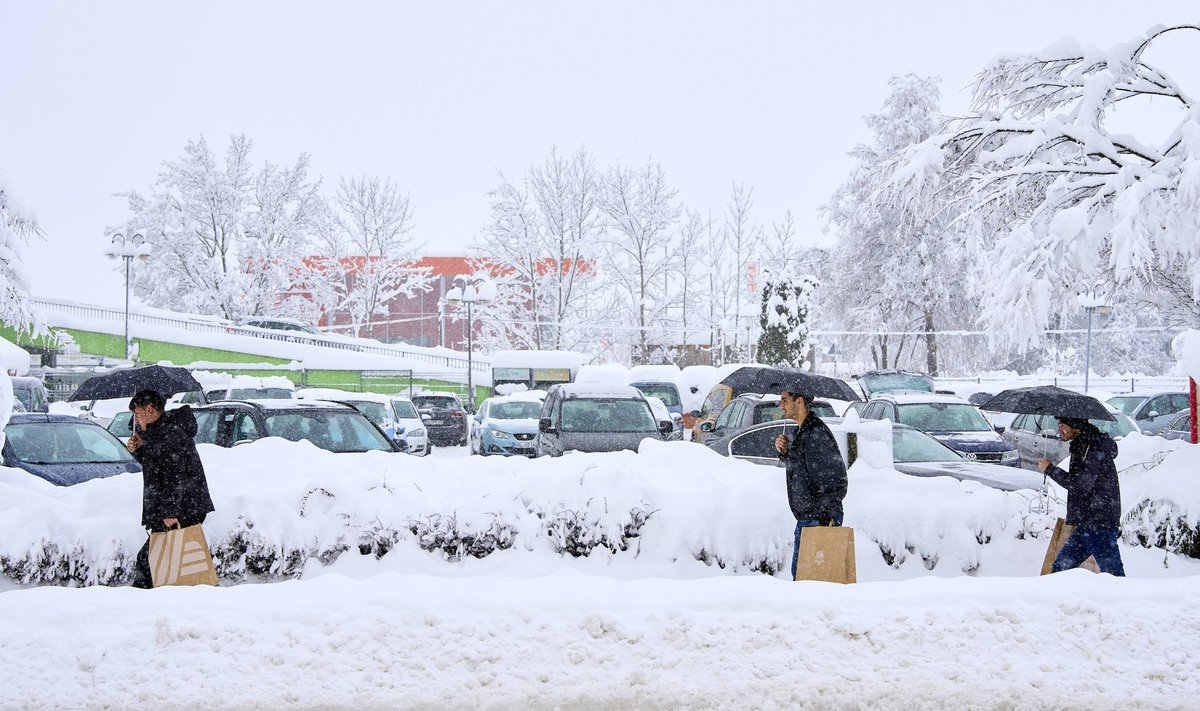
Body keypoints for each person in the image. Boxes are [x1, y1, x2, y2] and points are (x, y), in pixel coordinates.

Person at [126, 389, 215, 588]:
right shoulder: (159, 432)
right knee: (169, 559)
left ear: (150, 410)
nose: (136, 420)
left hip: (181, 509)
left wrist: (169, 511)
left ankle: (144, 598)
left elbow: (175, 476)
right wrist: (139, 448)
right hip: (179, 507)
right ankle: (181, 592)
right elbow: (156, 468)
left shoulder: (170, 434)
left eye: (138, 414)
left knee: (150, 560)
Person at [774, 386, 848, 579]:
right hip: (809, 518)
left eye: (785, 400)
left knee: (813, 582)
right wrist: (786, 453)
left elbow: (835, 479)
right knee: (805, 579)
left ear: (799, 401)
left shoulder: (816, 433)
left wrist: (825, 518)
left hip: (818, 519)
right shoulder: (803, 431)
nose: (781, 405)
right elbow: (805, 470)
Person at [1038, 416, 1124, 576]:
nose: (1060, 430)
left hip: (1099, 522)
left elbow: (1080, 485)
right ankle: (1057, 598)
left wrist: (1051, 469)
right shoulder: (1082, 446)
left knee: (1114, 574)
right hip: (1088, 522)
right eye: (1059, 425)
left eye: (1063, 425)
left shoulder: (1091, 448)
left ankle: (1129, 599)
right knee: (1061, 567)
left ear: (1076, 427)